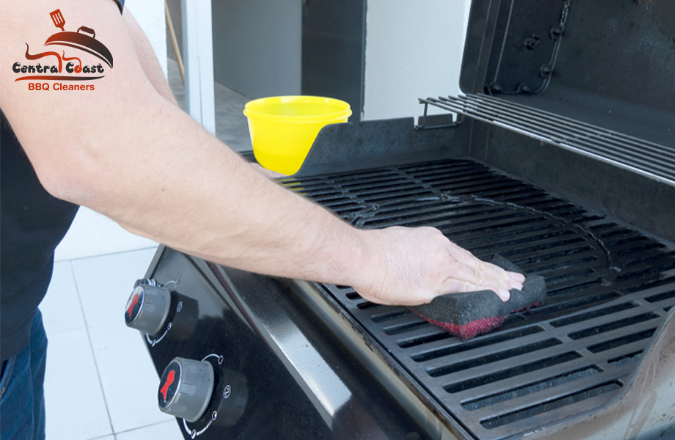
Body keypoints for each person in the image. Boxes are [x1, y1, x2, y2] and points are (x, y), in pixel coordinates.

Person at [0, 1, 524, 438]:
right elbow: (101, 148)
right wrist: (371, 258)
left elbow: (110, 32)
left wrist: (216, 176)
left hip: (15, 315)